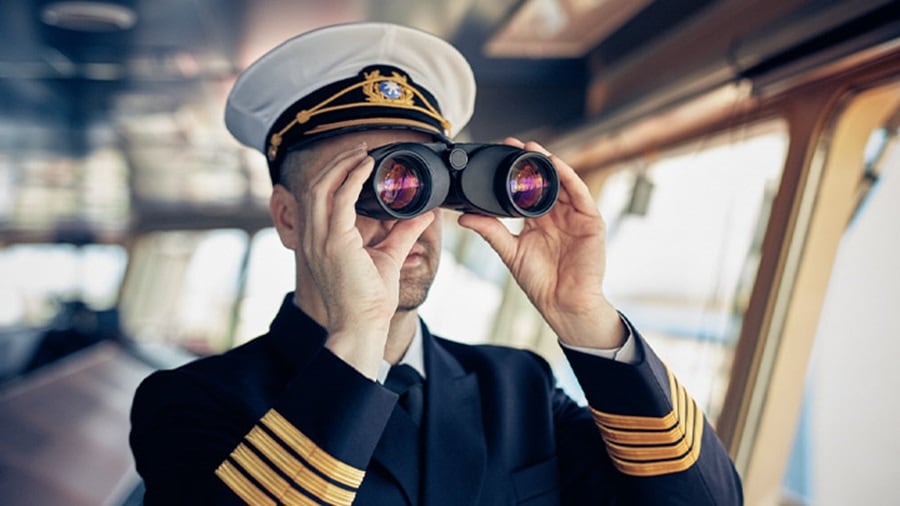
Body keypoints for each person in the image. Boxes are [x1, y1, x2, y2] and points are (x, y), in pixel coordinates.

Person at [129, 22, 743, 505]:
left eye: (418, 184)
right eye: (369, 185)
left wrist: (582, 312)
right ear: (289, 218)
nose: (404, 219)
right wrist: (358, 334)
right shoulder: (191, 403)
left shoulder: (518, 389)